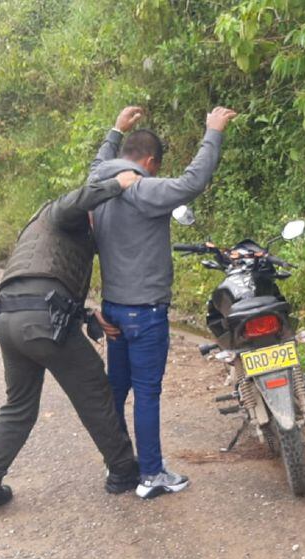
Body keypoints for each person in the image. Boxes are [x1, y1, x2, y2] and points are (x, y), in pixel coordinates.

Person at [0, 170, 145, 518]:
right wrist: (117, 184)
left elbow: (47, 284)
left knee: (18, 407)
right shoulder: (60, 212)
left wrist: (86, 317)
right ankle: (123, 470)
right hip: (40, 324)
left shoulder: (38, 232)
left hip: (9, 320)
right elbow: (75, 201)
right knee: (94, 389)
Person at [88, 105, 237, 499]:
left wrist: (114, 129)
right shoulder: (143, 188)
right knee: (146, 392)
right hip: (145, 313)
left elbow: (99, 160)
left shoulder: (97, 183)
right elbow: (192, 182)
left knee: (116, 390)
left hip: (114, 309)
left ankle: (118, 466)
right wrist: (213, 132)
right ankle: (151, 474)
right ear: (150, 163)